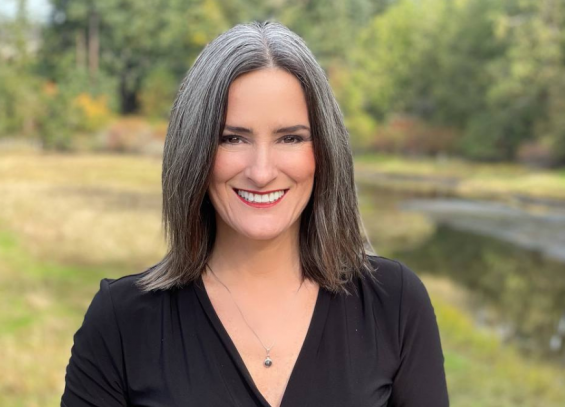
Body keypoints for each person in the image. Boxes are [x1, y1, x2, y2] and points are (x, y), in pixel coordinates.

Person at [61, 20, 449, 407]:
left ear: (325, 151)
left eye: (290, 138)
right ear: (194, 150)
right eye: (232, 138)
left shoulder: (393, 304)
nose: (261, 172)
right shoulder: (123, 322)